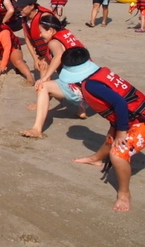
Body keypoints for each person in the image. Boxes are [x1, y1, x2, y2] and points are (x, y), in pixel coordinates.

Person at [60, 47, 145, 212]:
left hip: (140, 121)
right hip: (133, 116)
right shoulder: (98, 74)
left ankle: (124, 194)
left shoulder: (92, 85)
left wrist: (121, 131)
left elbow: (120, 103)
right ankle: (96, 159)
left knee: (117, 154)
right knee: (110, 138)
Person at [19, 15, 88, 138]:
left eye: (41, 32)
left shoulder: (54, 42)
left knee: (43, 87)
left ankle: (37, 129)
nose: (40, 35)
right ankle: (81, 108)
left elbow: (58, 56)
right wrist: (44, 60)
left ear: (50, 30)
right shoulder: (67, 34)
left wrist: (44, 78)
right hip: (90, 85)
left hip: (79, 90)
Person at [17, 0, 54, 79]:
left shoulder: (44, 17)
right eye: (19, 6)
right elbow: (28, 41)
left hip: (55, 51)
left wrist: (46, 58)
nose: (20, 9)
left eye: (22, 7)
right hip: (42, 53)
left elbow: (55, 39)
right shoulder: (24, 19)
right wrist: (35, 59)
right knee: (43, 78)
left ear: (32, 6)